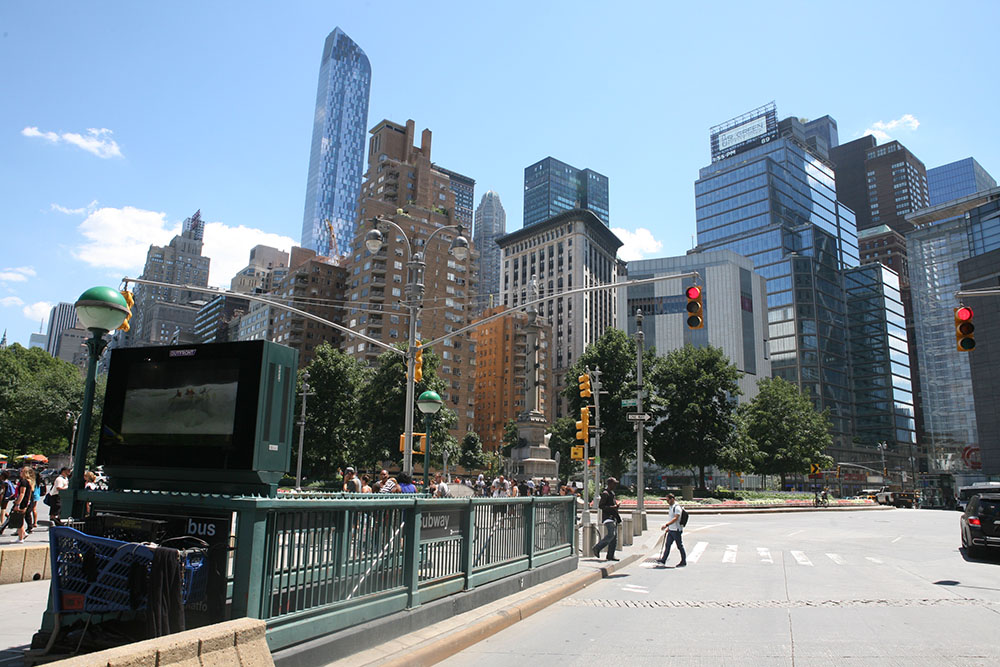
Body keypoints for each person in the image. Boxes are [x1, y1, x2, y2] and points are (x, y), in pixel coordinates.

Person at [593, 477, 622, 561]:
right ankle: (597, 547)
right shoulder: (605, 493)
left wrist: (616, 506)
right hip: (608, 518)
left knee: (614, 538)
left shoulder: (611, 493)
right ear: (610, 484)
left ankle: (610, 555)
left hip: (613, 517)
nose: (615, 485)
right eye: (614, 483)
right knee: (611, 534)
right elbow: (601, 506)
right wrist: (613, 507)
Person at [5, 467, 36, 543]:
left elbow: (22, 493)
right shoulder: (28, 482)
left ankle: (21, 538)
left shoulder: (24, 482)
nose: (20, 472)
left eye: (22, 471)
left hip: (22, 503)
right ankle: (22, 534)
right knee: (20, 519)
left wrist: (17, 504)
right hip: (25, 502)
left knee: (19, 519)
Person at [657, 493, 687, 567]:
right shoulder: (671, 507)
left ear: (672, 499)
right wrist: (668, 528)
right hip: (671, 530)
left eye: (668, 500)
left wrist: (667, 525)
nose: (667, 502)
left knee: (679, 546)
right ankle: (663, 560)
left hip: (676, 530)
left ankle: (683, 561)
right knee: (667, 545)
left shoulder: (676, 507)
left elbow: (676, 518)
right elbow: (671, 518)